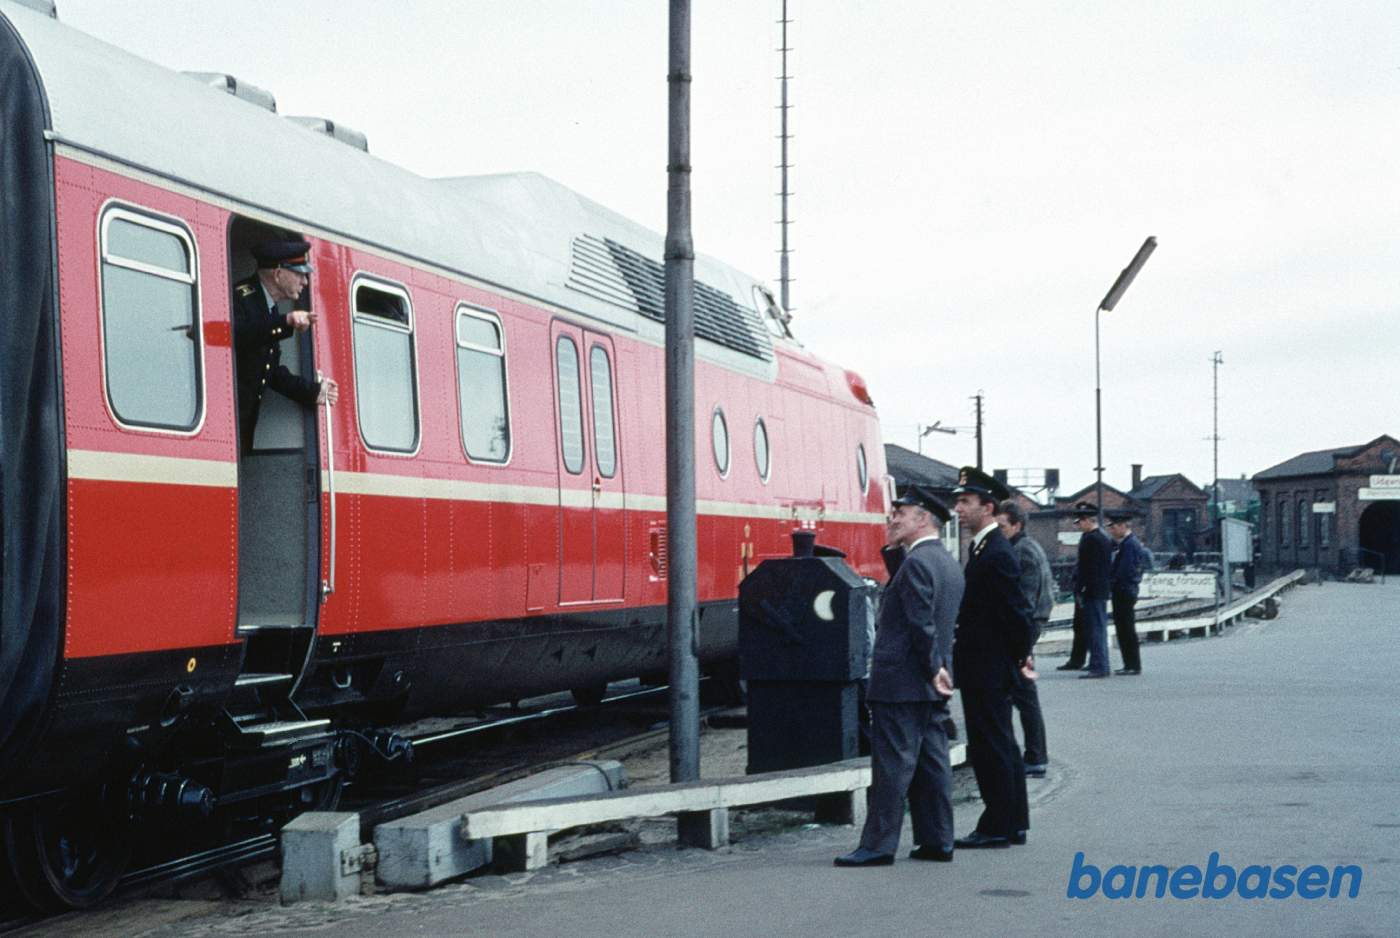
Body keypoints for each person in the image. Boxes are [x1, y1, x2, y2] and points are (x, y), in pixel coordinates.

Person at [835, 486, 963, 867]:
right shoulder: (945, 562)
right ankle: (937, 840)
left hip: (903, 680)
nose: (892, 519)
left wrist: (932, 667)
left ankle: (877, 845)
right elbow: (916, 599)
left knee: (892, 765)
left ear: (923, 519)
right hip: (929, 682)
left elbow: (920, 623)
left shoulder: (918, 564)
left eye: (901, 514)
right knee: (932, 762)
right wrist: (938, 670)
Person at [949, 467, 1036, 849]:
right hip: (987, 662)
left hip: (988, 665)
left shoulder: (995, 552)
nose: (958, 509)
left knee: (990, 744)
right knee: (1001, 741)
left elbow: (1016, 612)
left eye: (965, 502)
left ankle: (996, 825)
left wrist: (1018, 657)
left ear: (987, 507)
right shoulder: (984, 547)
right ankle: (1013, 822)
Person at [233, 239, 338, 453]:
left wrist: (313, 392)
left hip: (243, 429)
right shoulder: (239, 298)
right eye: (299, 274)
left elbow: (270, 371)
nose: (305, 282)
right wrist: (286, 321)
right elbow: (238, 334)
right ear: (278, 274)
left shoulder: (267, 307)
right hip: (228, 424)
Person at [996, 500, 1052, 777]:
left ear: (1017, 525)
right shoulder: (1027, 546)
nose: (998, 531)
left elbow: (1025, 600)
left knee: (1024, 693)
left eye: (1002, 526)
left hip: (1025, 628)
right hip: (1028, 626)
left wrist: (1018, 640)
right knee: (1023, 693)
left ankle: (1036, 756)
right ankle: (1035, 754)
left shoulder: (1022, 551)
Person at [1069, 502, 1113, 679]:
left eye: (1080, 521)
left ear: (1088, 520)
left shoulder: (1091, 539)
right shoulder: (1103, 537)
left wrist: (1080, 587)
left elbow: (1087, 568)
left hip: (1092, 589)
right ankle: (1099, 662)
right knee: (1098, 627)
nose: (1079, 525)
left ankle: (1099, 666)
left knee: (1095, 628)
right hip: (1100, 589)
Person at [1106, 509, 1151, 675]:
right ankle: (1129, 664)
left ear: (1122, 526)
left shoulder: (1129, 545)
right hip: (1125, 589)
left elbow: (1125, 570)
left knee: (1126, 628)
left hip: (1124, 590)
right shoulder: (1127, 543)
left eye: (1113, 527)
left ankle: (1132, 665)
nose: (1111, 531)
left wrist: (1112, 581)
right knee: (1124, 628)